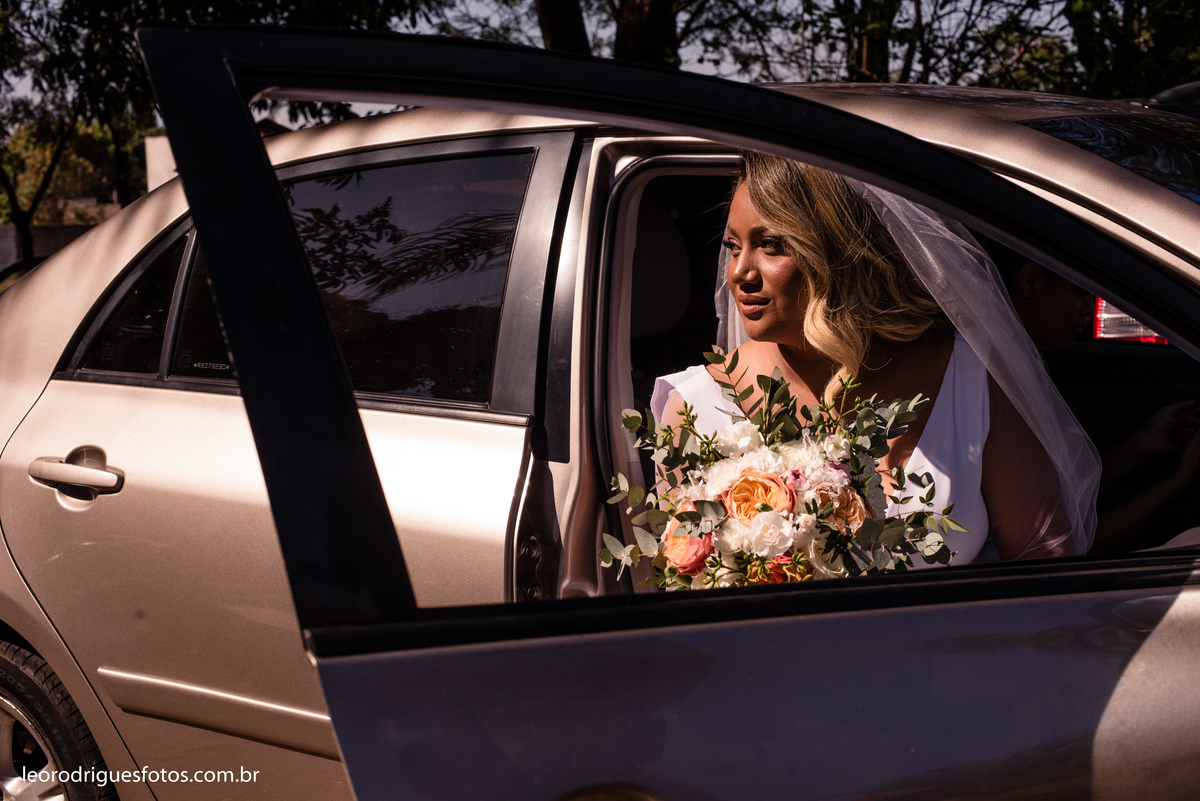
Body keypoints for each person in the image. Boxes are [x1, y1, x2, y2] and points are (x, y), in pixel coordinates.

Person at [651, 152, 1100, 564]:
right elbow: (679, 583)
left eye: (770, 244)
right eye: (733, 246)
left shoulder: (971, 377)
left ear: (837, 251)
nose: (739, 272)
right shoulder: (694, 410)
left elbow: (1045, 562)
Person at [988, 240, 1200, 553]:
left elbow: (1067, 493)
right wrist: (1180, 480)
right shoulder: (1002, 378)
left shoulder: (1026, 359)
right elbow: (1062, 547)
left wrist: (1144, 443)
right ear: (1030, 281)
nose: (1089, 308)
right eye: (1080, 292)